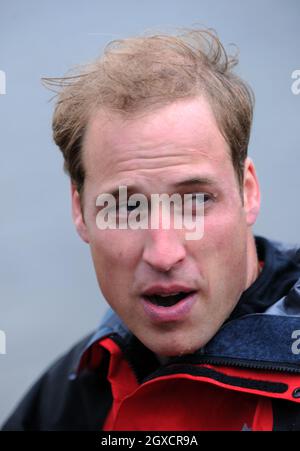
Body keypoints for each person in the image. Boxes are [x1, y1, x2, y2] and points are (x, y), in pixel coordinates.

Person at [2, 28, 300, 431]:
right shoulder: (81, 382)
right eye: (126, 207)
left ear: (248, 191)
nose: (163, 254)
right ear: (80, 210)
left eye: (195, 200)